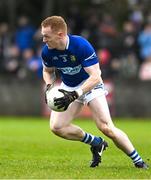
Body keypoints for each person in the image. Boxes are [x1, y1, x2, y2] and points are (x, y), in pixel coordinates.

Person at [41, 16, 148, 169]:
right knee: (57, 127)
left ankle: (138, 161)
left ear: (60, 35)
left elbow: (96, 77)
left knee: (106, 127)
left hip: (91, 85)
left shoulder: (80, 45)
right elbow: (47, 71)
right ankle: (96, 143)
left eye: (46, 36)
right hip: (69, 87)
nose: (43, 40)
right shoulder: (47, 52)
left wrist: (75, 95)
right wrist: (49, 86)